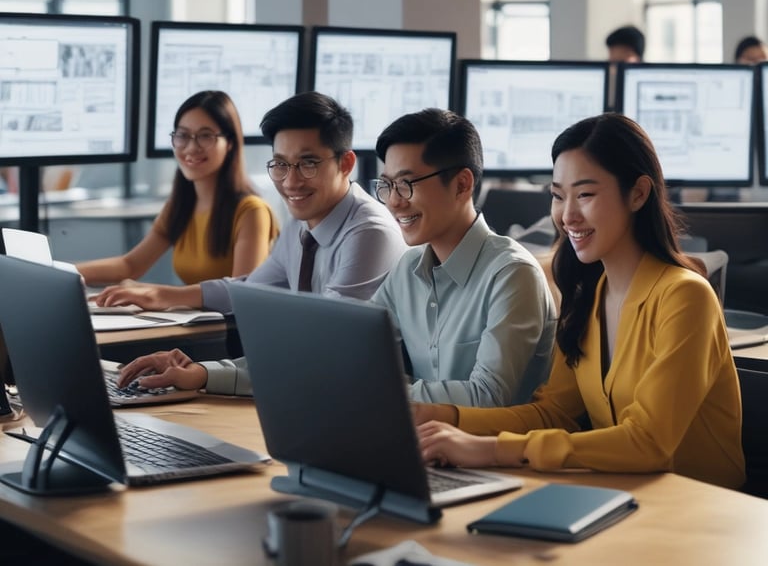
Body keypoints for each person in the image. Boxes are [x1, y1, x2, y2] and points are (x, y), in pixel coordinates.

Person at [414, 113, 745, 491]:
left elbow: (648, 442)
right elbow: (554, 413)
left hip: (701, 509)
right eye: (558, 196)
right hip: (625, 495)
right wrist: (440, 417)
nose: (567, 215)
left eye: (585, 194)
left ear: (638, 193)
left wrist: (489, 450)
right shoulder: (590, 294)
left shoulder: (685, 297)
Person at [104, 91, 407, 394]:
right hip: (312, 387)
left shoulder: (369, 234)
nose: (290, 182)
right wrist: (164, 298)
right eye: (280, 164)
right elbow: (249, 290)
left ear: (346, 163)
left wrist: (202, 372)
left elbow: (323, 345)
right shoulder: (302, 223)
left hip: (359, 396)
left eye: (308, 163)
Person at [371, 108, 556, 407]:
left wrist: (384, 394)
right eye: (388, 185)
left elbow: (488, 397)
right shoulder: (407, 268)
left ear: (462, 184)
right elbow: (361, 355)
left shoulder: (512, 274)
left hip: (492, 449)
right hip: (421, 442)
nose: (394, 201)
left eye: (406, 184)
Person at [78, 90, 278, 286]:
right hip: (196, 319)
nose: (191, 147)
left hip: (230, 320)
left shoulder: (251, 211)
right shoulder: (180, 206)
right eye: (183, 135)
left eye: (205, 136)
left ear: (230, 143)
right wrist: (61, 271)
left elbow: (240, 293)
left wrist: (158, 295)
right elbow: (130, 265)